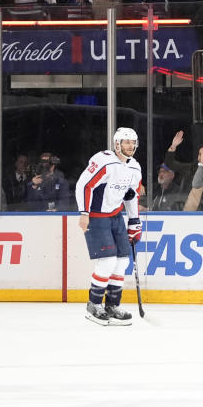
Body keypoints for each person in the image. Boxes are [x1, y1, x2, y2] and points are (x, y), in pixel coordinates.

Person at [73, 128, 143, 326]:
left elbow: (132, 196)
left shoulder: (135, 168)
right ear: (117, 144)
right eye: (126, 142)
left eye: (133, 142)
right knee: (107, 261)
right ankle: (94, 304)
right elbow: (84, 185)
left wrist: (134, 221)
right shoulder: (104, 161)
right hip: (96, 217)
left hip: (115, 217)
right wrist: (84, 213)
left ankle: (112, 305)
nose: (130, 146)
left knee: (122, 261)